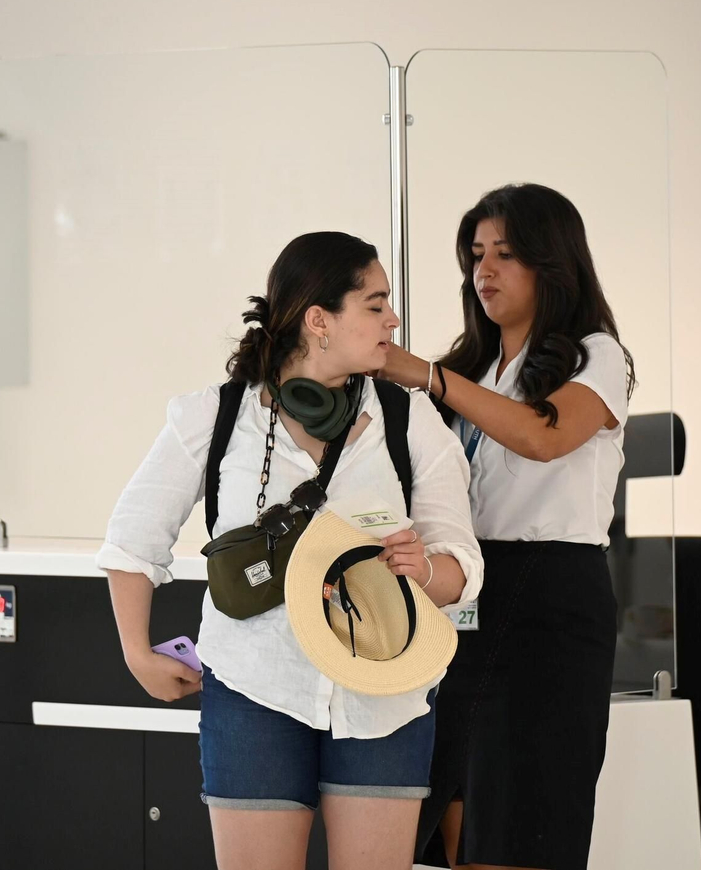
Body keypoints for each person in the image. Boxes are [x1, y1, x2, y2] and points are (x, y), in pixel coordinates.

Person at [99, 231, 483, 870]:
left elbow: (462, 565)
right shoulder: (217, 417)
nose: (394, 318)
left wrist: (426, 572)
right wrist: (136, 652)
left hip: (385, 696)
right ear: (319, 320)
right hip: (255, 690)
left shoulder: (409, 419)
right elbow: (132, 538)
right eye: (375, 302)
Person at [383, 184, 636, 870]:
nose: (484, 271)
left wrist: (431, 376)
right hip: (464, 592)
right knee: (450, 814)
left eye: (505, 254)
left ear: (552, 263)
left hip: (552, 600)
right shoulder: (471, 365)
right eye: (475, 255)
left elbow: (542, 436)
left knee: (523, 821)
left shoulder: (596, 354)